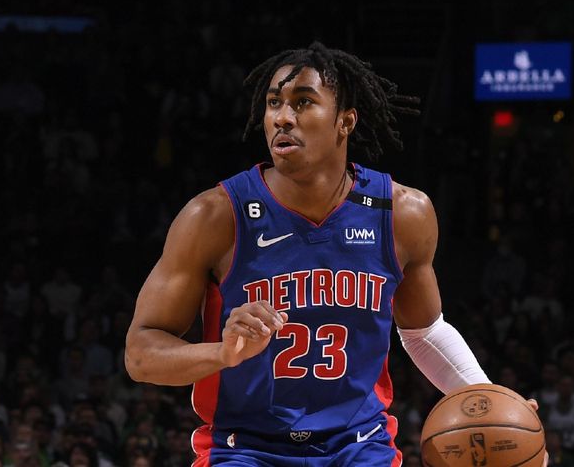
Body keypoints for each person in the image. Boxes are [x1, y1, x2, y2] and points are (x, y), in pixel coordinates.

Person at [125, 42, 548, 466]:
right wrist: (222, 353)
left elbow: (425, 334)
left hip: (359, 445)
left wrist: (497, 405)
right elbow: (141, 354)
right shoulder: (215, 215)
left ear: (345, 121)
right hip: (246, 447)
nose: (282, 118)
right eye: (274, 104)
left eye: (303, 102)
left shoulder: (401, 212)